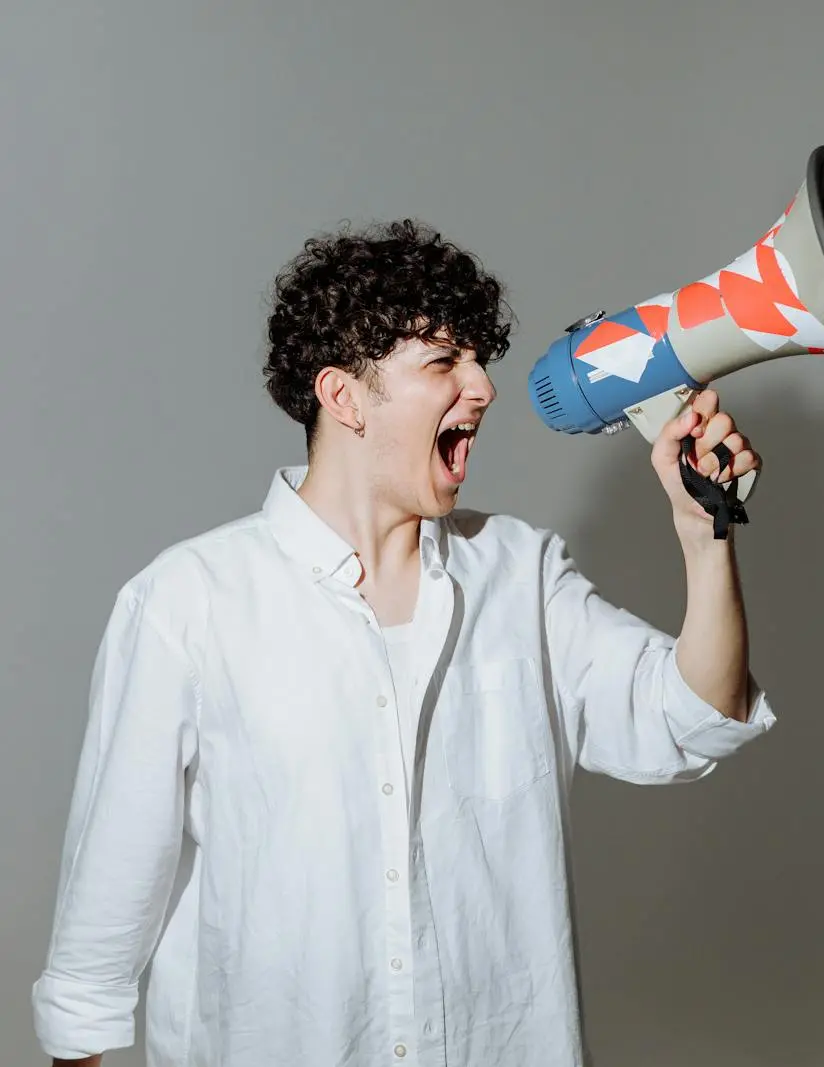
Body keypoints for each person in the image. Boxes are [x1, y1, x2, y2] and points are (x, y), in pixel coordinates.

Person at [30, 220, 776, 1067]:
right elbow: (94, 957)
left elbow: (695, 716)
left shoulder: (521, 573)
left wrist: (702, 530)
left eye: (478, 359)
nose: (485, 388)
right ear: (343, 397)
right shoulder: (187, 603)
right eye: (443, 362)